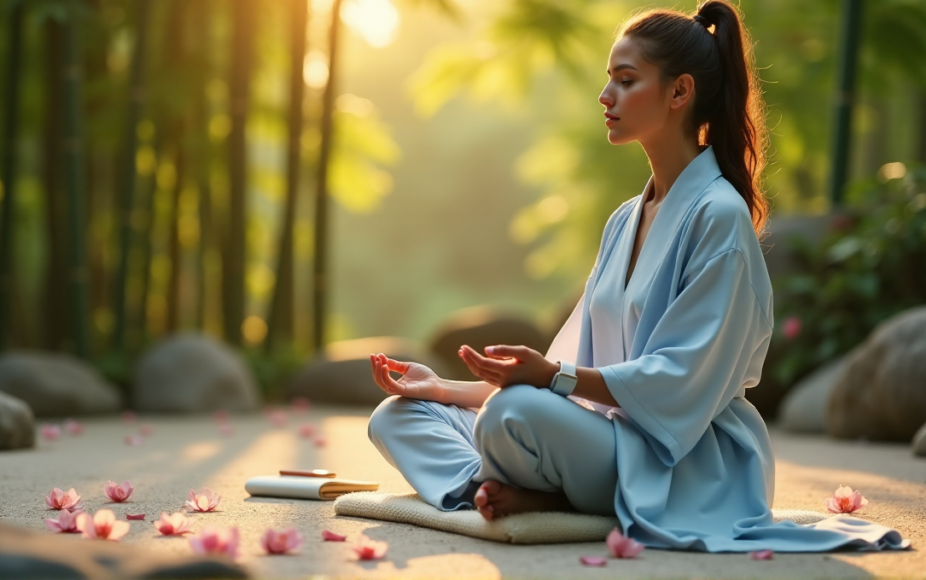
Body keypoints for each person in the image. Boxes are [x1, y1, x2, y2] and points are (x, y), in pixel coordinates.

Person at [365, 0, 908, 553]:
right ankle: (496, 489)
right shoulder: (626, 218)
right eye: (609, 81)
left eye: (626, 81)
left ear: (680, 92)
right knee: (396, 418)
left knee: (512, 414)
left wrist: (553, 376)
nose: (606, 97)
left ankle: (534, 494)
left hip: (686, 462)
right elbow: (571, 377)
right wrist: (441, 389)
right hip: (603, 439)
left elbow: (675, 383)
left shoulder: (719, 216)